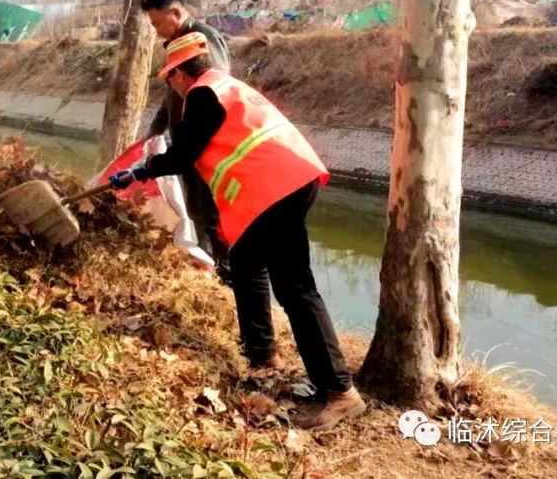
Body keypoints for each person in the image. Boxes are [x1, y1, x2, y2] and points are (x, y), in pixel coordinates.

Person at [109, 31, 365, 432]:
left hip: (275, 189)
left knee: (295, 289)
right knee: (245, 264)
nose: (171, 86)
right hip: (289, 179)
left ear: (179, 74)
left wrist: (140, 171)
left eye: (169, 78)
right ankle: (262, 355)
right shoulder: (225, 85)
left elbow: (184, 155)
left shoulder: (202, 94)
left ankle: (340, 392)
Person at [140, 0, 231, 279]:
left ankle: (226, 271)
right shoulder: (176, 45)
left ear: (176, 13)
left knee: (211, 211)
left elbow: (214, 89)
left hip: (205, 144)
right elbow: (171, 98)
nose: (156, 30)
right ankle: (207, 265)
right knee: (194, 208)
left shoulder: (201, 39)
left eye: (158, 23)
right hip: (186, 144)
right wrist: (155, 131)